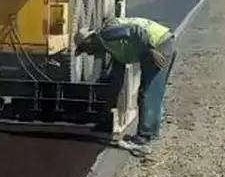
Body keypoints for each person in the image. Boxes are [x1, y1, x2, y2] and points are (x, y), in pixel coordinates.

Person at [75, 15, 177, 153]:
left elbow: (135, 30)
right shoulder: (113, 48)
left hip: (157, 45)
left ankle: (143, 140)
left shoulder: (107, 33)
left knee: (148, 92)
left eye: (86, 49)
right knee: (154, 91)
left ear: (89, 41)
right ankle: (152, 129)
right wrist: (107, 108)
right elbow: (118, 80)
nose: (89, 53)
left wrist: (150, 49)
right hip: (160, 43)